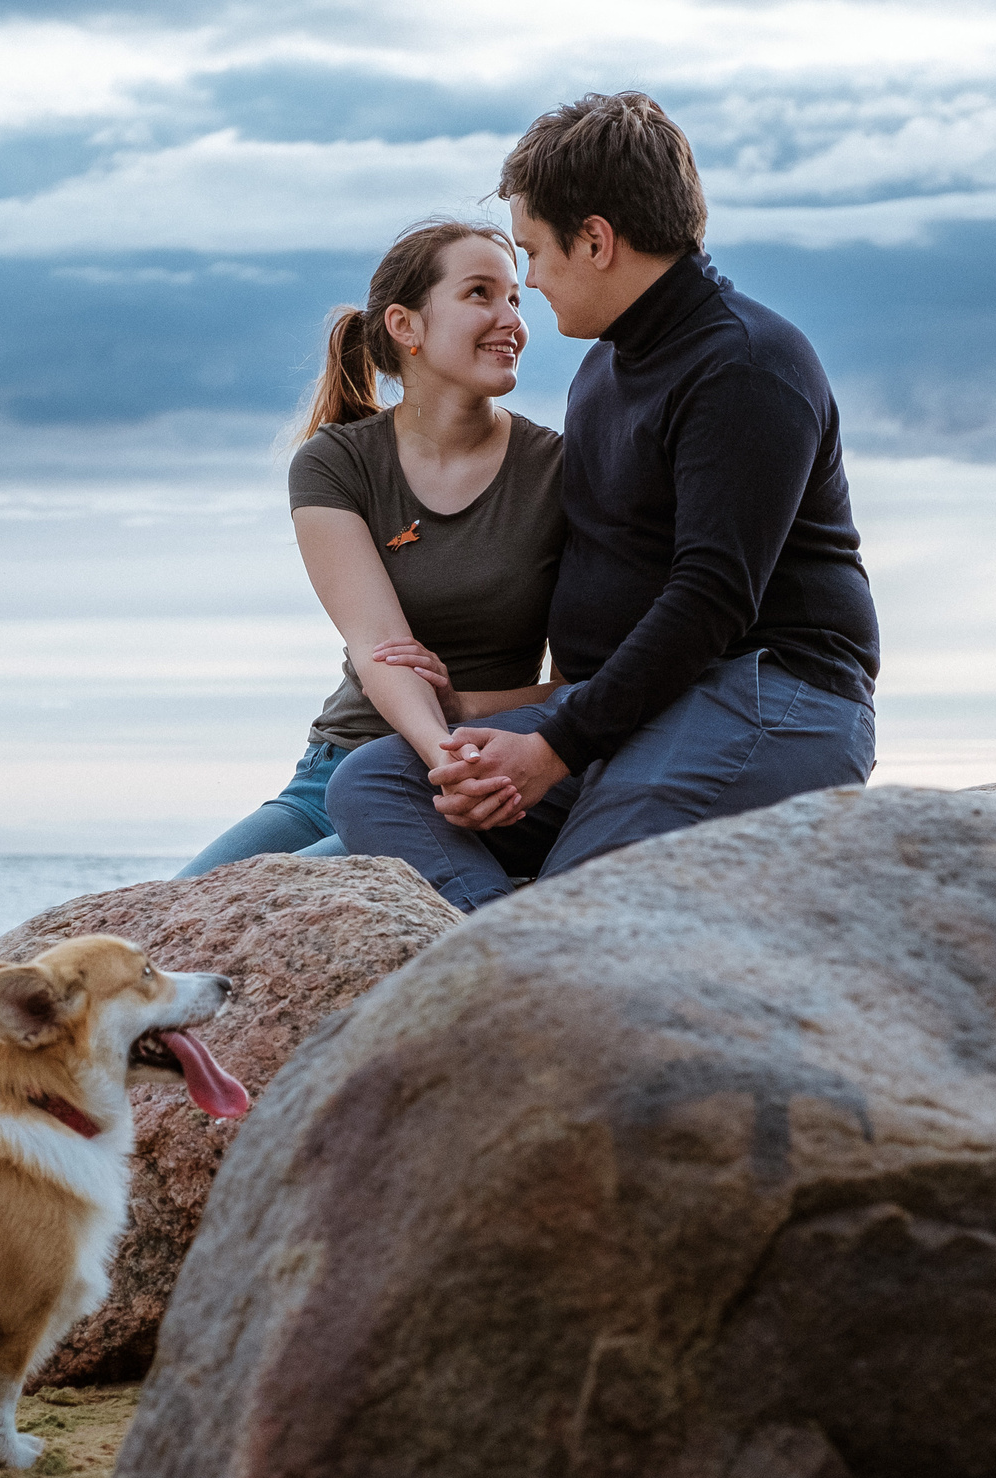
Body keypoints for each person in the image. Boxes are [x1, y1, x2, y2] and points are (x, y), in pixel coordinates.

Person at [325, 91, 881, 911]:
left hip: (771, 691)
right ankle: (495, 951)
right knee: (380, 779)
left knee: (579, 898)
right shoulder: (607, 370)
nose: (533, 284)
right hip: (629, 706)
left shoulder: (745, 366)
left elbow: (713, 598)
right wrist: (507, 716)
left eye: (537, 254)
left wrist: (554, 746)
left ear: (596, 240)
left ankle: (529, 957)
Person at [175, 219, 565, 878]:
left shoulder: (560, 470)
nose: (511, 320)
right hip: (338, 773)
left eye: (515, 300)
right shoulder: (335, 463)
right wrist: (440, 750)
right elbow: (378, 647)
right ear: (404, 326)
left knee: (286, 911)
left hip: (479, 774)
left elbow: (581, 683)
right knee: (167, 920)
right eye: (480, 294)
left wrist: (466, 729)